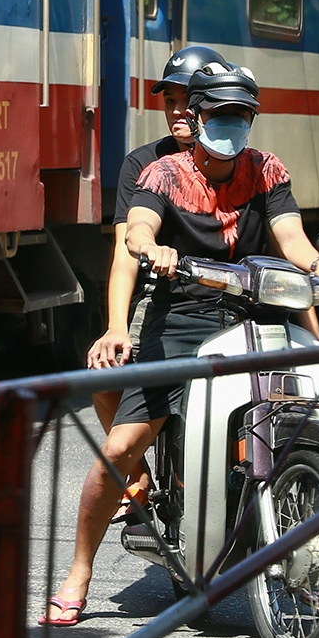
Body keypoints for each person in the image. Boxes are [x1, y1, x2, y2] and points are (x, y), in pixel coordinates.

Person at [42, 60, 319, 627]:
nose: (230, 124)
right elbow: (138, 228)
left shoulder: (267, 169)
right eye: (219, 114)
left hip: (257, 308)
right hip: (183, 319)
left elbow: (292, 237)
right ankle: (79, 573)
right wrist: (153, 247)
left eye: (241, 115)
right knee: (121, 449)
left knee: (306, 419)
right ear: (196, 115)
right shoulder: (161, 172)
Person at [84, 44, 223, 515]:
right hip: (161, 299)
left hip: (224, 300)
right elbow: (126, 251)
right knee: (104, 372)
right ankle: (137, 470)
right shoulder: (144, 164)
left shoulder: (248, 162)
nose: (179, 111)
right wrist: (116, 327)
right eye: (170, 102)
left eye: (190, 100)